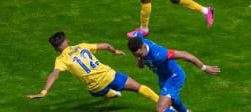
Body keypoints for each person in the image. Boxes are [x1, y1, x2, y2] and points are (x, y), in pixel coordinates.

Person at [27, 32, 159, 107]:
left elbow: (54, 74)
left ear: (56, 48)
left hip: (95, 88)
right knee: (139, 87)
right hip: (108, 76)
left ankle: (113, 94)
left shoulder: (61, 60)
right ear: (67, 42)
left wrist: (44, 92)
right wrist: (115, 52)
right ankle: (163, 105)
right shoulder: (82, 46)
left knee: (100, 91)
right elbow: (107, 45)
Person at [127, 32, 221, 112]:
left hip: (174, 77)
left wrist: (204, 67)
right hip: (163, 77)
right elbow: (138, 34)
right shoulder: (138, 40)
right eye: (136, 55)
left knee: (161, 109)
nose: (139, 56)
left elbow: (184, 54)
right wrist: (140, 60)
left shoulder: (159, 54)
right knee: (174, 100)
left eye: (141, 54)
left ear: (143, 46)